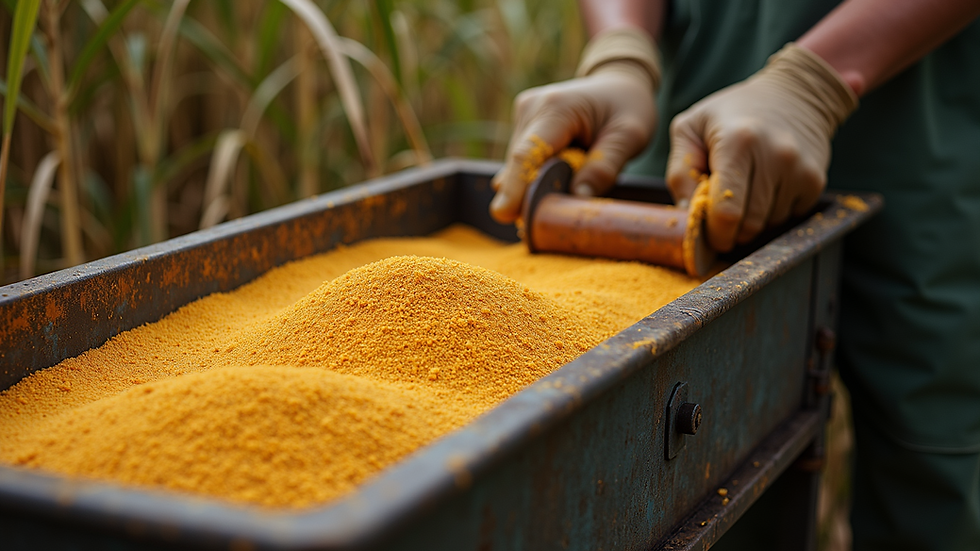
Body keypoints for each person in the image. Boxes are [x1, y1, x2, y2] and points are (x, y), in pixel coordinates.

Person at [488, 1, 980, 549]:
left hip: (919, 159)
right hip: (691, 167)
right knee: (687, 473)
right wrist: (621, 53)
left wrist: (814, 81)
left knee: (923, 471)